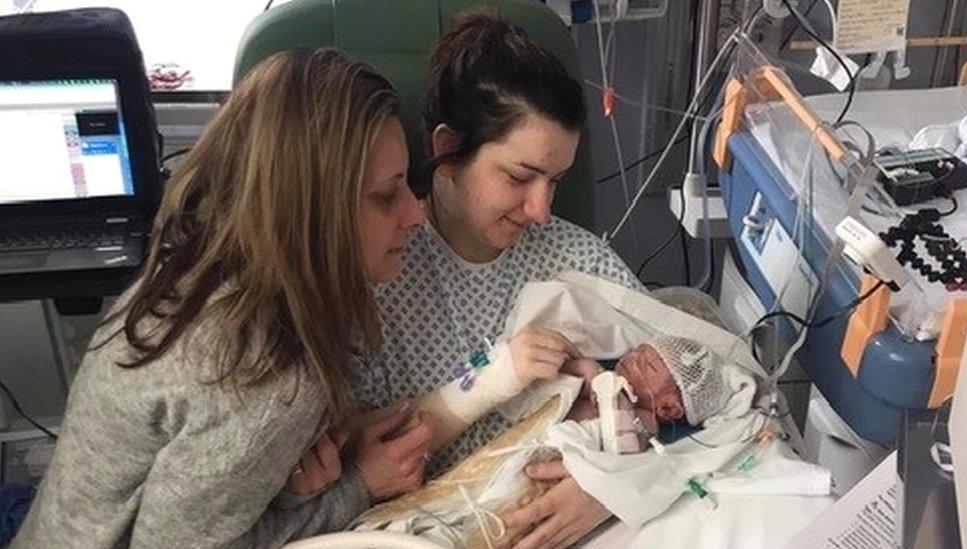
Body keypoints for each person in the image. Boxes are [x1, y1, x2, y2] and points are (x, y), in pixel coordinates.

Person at [13, 48, 430, 548]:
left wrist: (292, 488)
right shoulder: (267, 373)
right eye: (386, 195)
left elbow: (197, 486)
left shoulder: (197, 266)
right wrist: (360, 487)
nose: (415, 215)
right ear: (307, 217)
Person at [356, 12, 645, 549]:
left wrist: (612, 484)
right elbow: (342, 458)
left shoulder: (574, 256)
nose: (541, 209)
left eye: (556, 182)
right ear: (447, 149)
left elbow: (678, 384)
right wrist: (490, 379)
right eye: (519, 177)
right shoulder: (380, 269)